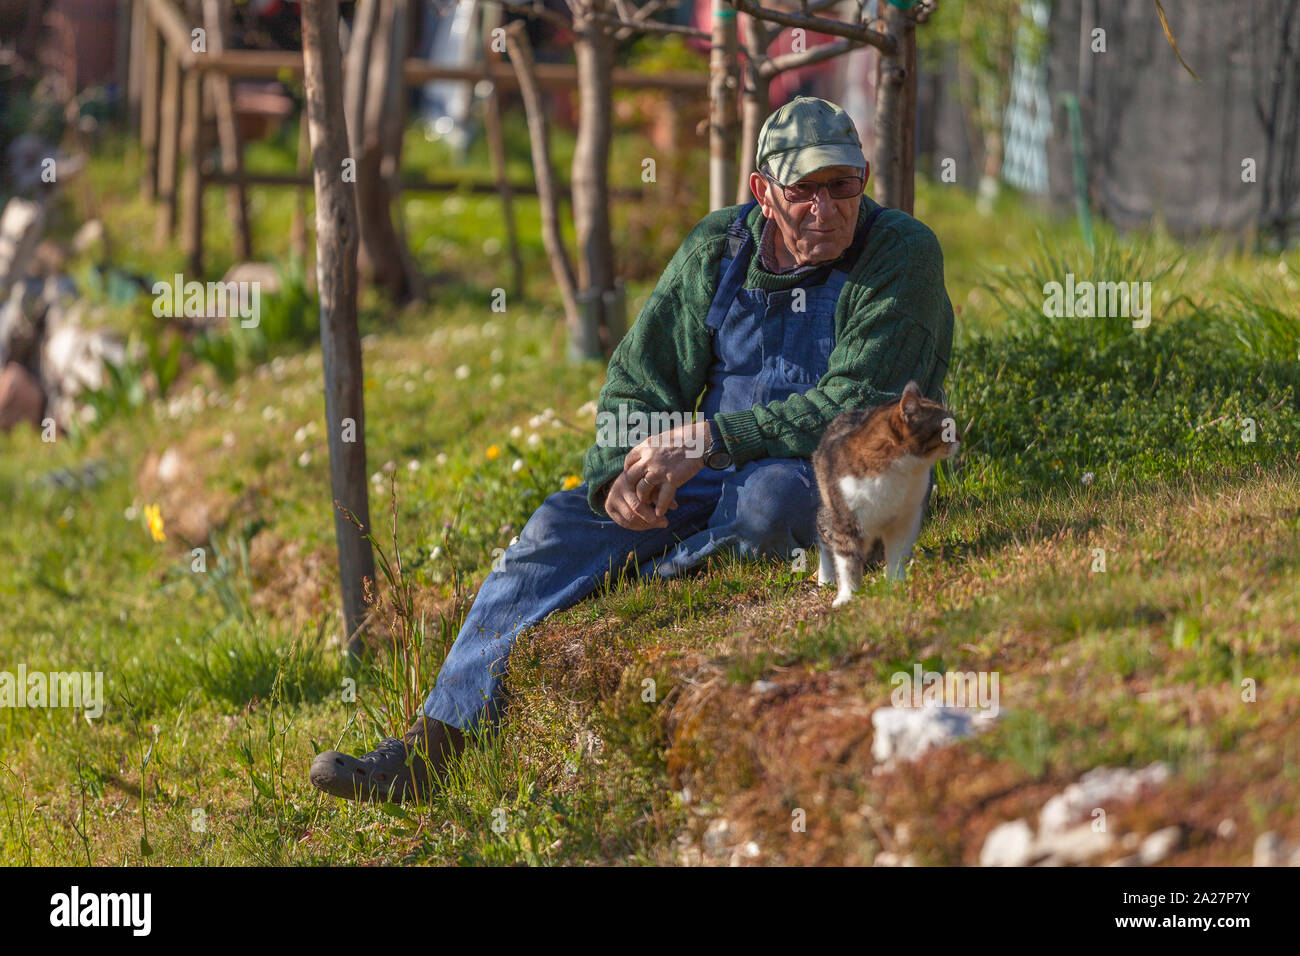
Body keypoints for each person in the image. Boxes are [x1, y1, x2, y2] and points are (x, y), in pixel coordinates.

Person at [309, 96, 955, 802]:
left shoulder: (902, 253)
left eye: (842, 187)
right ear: (761, 192)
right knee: (558, 527)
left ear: (864, 178)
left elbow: (859, 411)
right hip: (712, 470)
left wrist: (710, 439)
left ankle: (662, 574)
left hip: (834, 478)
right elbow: (641, 378)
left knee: (771, 503)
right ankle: (430, 752)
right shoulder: (719, 248)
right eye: (803, 191)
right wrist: (621, 471)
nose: (825, 209)